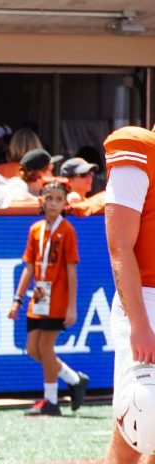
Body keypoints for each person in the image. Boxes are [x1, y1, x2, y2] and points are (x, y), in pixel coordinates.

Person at [7, 178, 89, 416]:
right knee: (33, 349)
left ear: (65, 203)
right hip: (40, 295)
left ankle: (51, 401)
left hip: (58, 297)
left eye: (58, 199)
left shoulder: (67, 230)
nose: (53, 203)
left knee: (45, 347)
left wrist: (71, 307)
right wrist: (17, 299)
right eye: (49, 198)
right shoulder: (35, 229)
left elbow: (72, 270)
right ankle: (74, 379)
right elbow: (29, 268)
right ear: (41, 200)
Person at [102, 126, 155, 463]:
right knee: (142, 418)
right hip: (147, 300)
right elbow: (119, 244)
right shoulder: (140, 148)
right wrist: (139, 323)